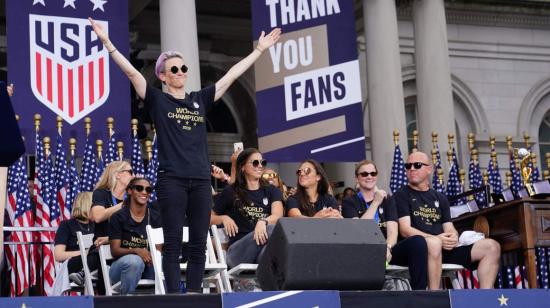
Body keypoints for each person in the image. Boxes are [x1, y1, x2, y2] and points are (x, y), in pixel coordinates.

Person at [89, 17, 281, 294]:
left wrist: (259, 50)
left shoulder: (199, 99)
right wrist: (107, 43)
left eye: (183, 68)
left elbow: (231, 76)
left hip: (201, 180)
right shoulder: (158, 100)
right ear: (164, 76)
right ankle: (174, 297)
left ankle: (193, 295)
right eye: (174, 69)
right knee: (173, 241)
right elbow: (132, 75)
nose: (180, 72)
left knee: (198, 242)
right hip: (172, 180)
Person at [394, 151, 501, 289]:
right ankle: (435, 298)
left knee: (492, 247)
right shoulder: (401, 195)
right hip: (419, 251)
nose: (412, 169)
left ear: (429, 169)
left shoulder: (440, 197)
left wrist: (453, 236)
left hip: (443, 249)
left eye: (417, 165)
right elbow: (405, 230)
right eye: (408, 166)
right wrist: (437, 238)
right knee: (434, 243)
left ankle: (486, 300)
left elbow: (448, 226)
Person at [341, 160, 429, 290]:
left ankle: (419, 294)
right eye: (364, 174)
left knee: (418, 242)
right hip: (363, 251)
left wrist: (386, 247)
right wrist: (375, 202)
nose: (369, 176)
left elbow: (393, 232)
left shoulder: (388, 200)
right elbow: (358, 230)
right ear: (357, 178)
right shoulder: (350, 201)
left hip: (387, 251)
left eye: (373, 173)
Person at [210, 148, 284, 268]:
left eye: (262, 163)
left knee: (269, 253)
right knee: (271, 230)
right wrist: (224, 218)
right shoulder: (231, 191)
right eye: (255, 163)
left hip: (261, 254)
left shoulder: (271, 190)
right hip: (238, 253)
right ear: (243, 167)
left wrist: (263, 221)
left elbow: (278, 215)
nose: (260, 166)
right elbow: (208, 218)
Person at [108, 177, 161, 295]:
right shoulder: (118, 217)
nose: (144, 192)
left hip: (149, 265)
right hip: (122, 268)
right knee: (134, 261)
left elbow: (159, 249)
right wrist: (136, 250)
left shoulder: (155, 217)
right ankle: (127, 301)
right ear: (129, 191)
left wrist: (150, 255)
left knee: (163, 263)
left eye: (148, 190)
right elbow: (115, 251)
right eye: (139, 188)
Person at [54, 192, 96, 286]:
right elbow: (58, 255)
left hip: (95, 264)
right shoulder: (66, 225)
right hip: (74, 264)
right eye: (96, 206)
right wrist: (85, 252)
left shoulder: (97, 225)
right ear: (87, 206)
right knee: (96, 255)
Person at [91, 161, 134, 246]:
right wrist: (125, 204)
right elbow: (98, 217)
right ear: (118, 175)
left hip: (128, 245)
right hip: (104, 249)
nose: (134, 176)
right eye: (131, 172)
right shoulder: (101, 193)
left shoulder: (132, 195)